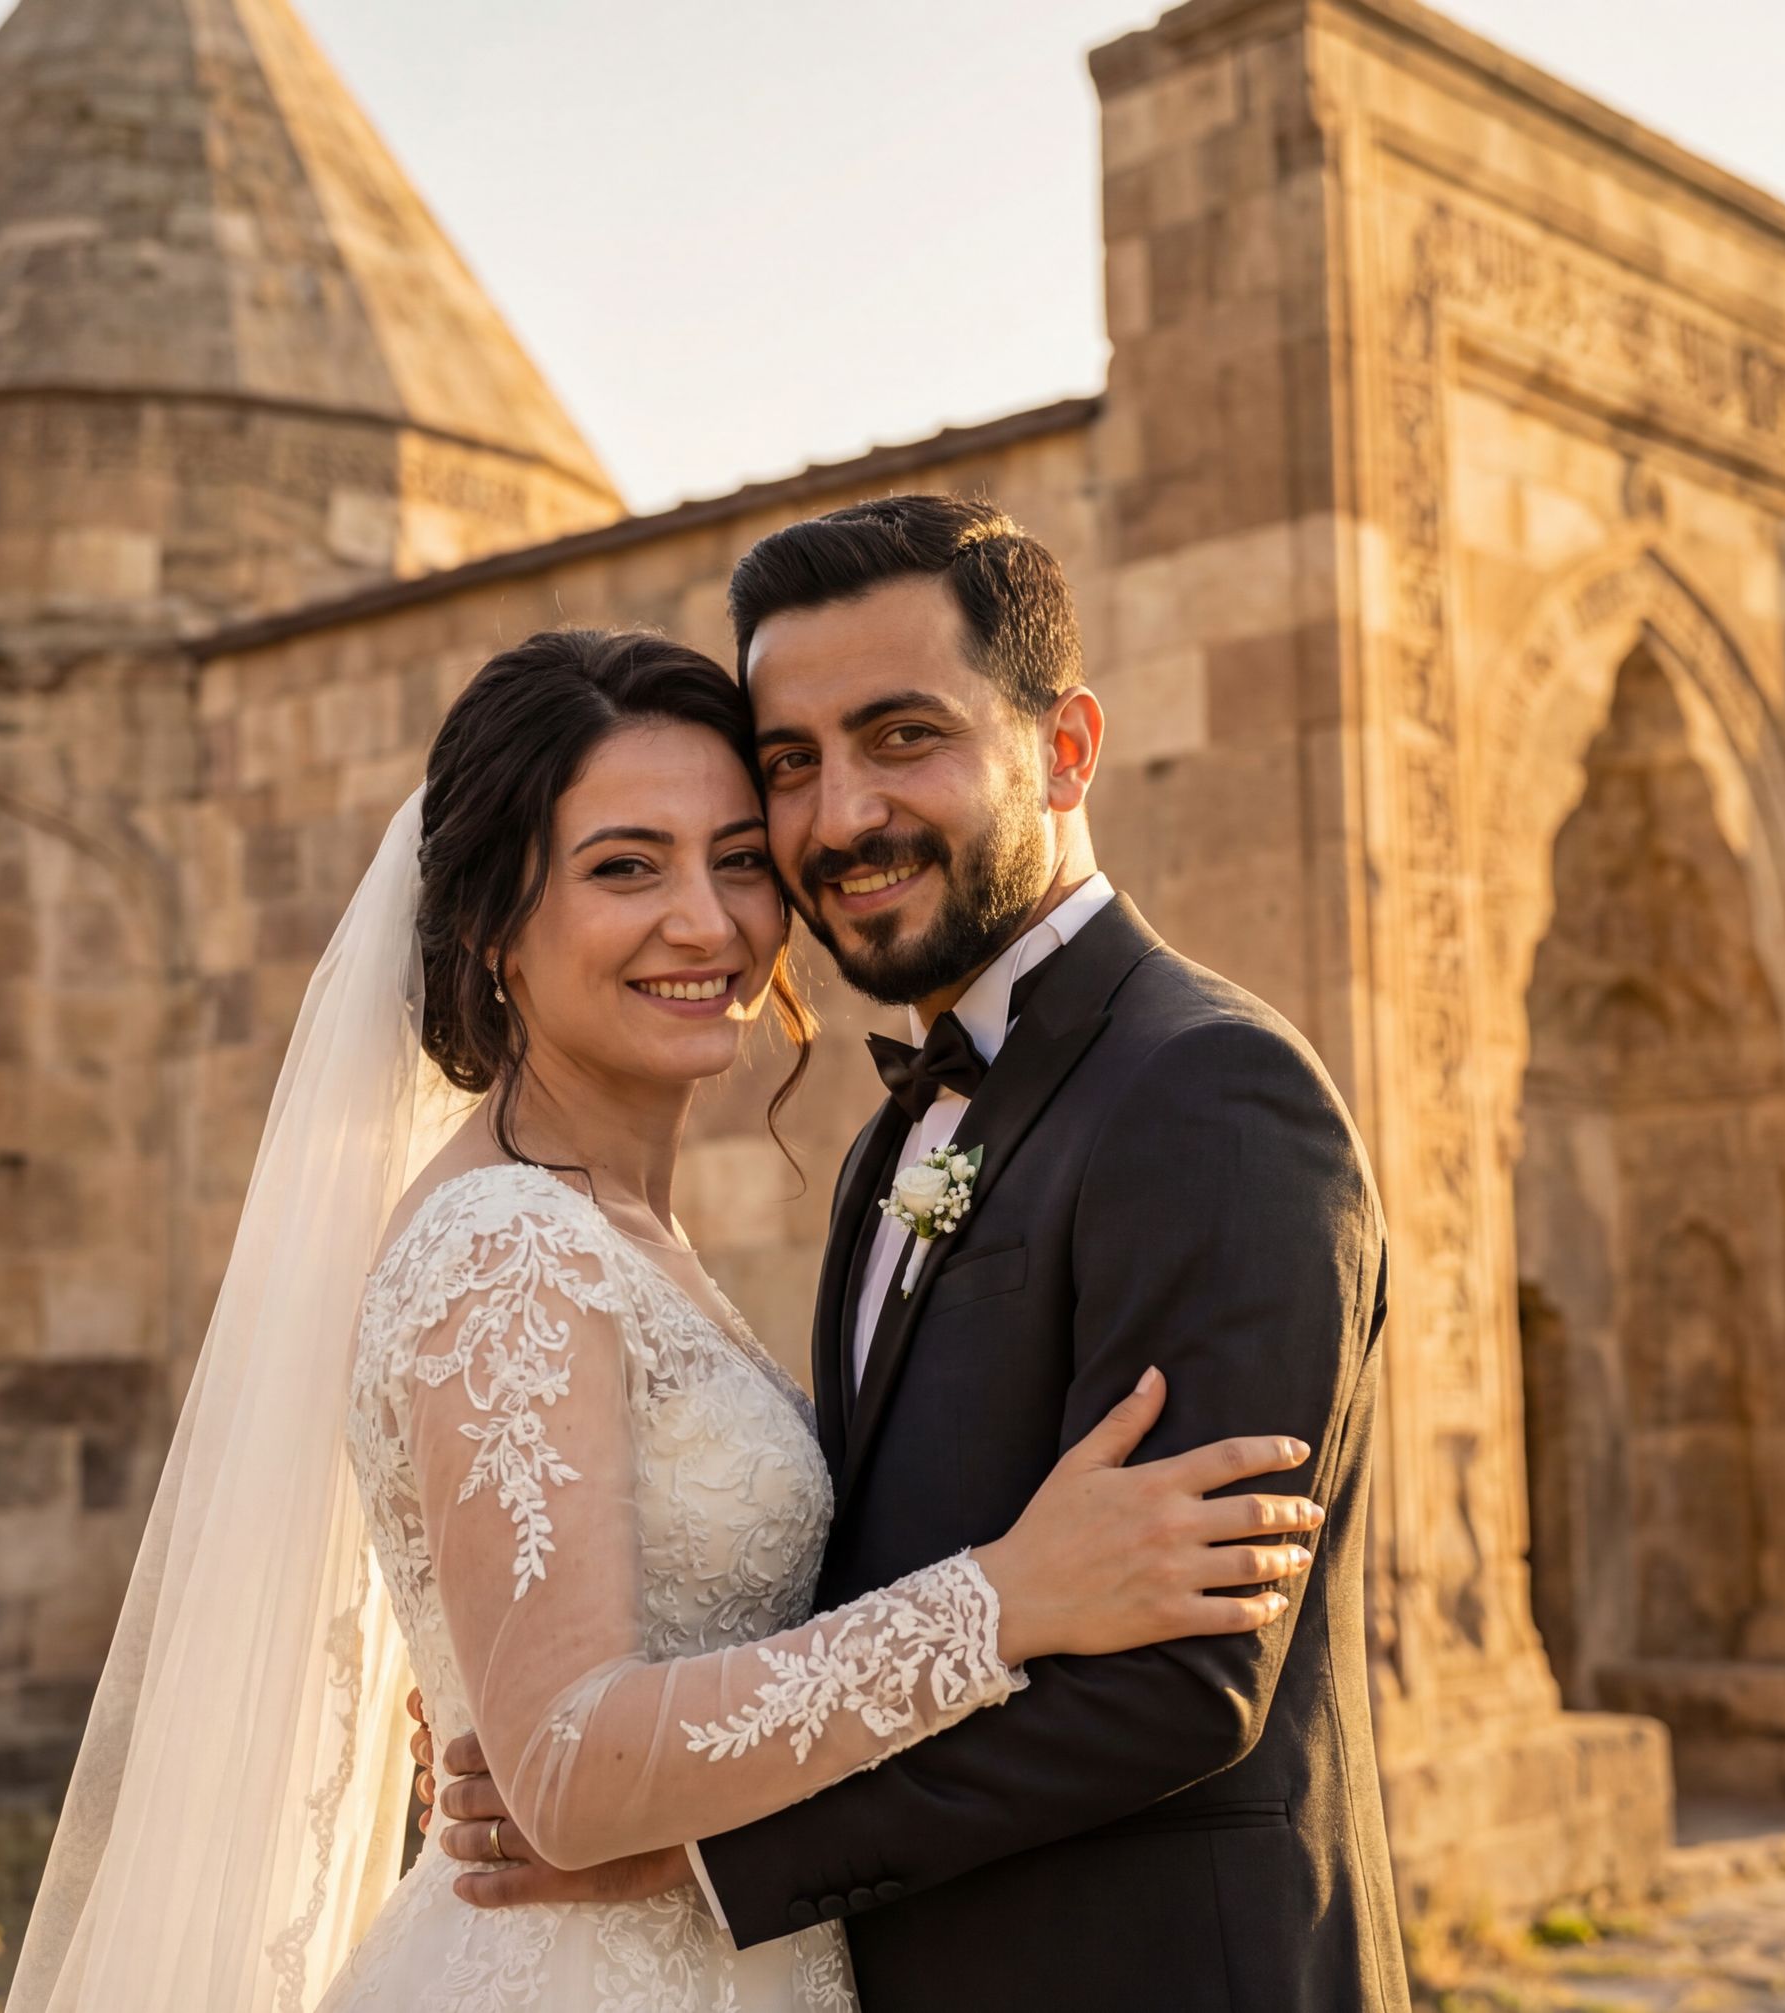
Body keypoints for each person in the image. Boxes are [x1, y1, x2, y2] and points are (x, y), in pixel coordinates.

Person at [8, 626, 1327, 2013]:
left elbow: (588, 1692)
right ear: (488, 927)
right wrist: (1006, 1598)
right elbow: (571, 1770)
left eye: (738, 859)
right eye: (625, 866)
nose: (705, 921)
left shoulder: (624, 1231)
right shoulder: (504, 1245)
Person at [429, 499, 1410, 2010]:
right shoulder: (893, 1133)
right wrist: (579, 1733)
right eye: (793, 766)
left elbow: (1181, 1678)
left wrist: (693, 1856)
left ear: (1065, 747)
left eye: (903, 737)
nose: (839, 820)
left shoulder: (1213, 1094)